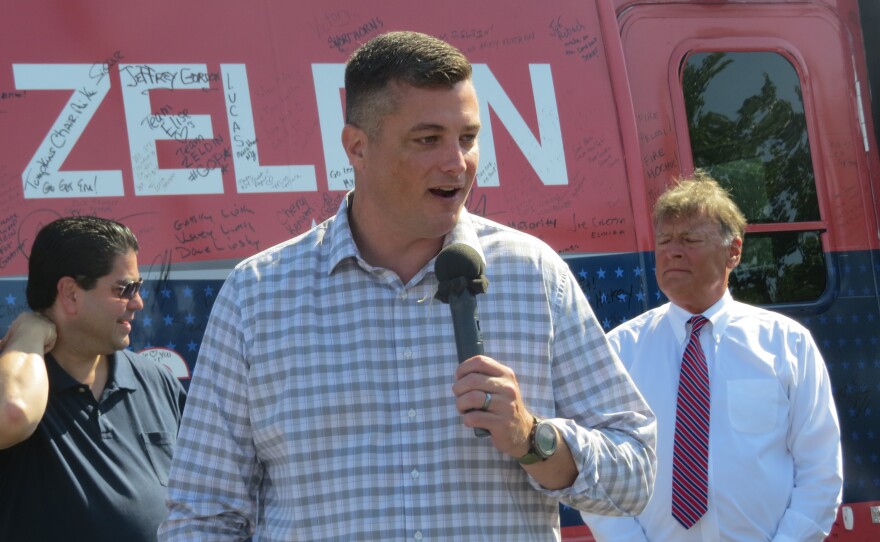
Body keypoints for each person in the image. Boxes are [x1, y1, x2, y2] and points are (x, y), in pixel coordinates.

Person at [159, 30, 656, 541]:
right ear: (357, 146)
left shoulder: (533, 276)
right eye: (428, 139)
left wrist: (532, 437)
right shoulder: (257, 297)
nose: (456, 162)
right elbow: (203, 514)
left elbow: (635, 476)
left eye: (467, 138)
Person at [581, 171, 843, 541]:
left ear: (733, 251)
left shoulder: (787, 345)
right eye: (665, 240)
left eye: (690, 239)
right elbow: (594, 472)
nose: (673, 251)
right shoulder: (621, 351)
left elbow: (820, 471)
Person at [0, 216, 187, 542]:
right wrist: (28, 335)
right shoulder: (15, 384)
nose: (138, 303)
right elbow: (11, 412)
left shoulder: (158, 383)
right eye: (126, 288)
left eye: (139, 288)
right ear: (70, 293)